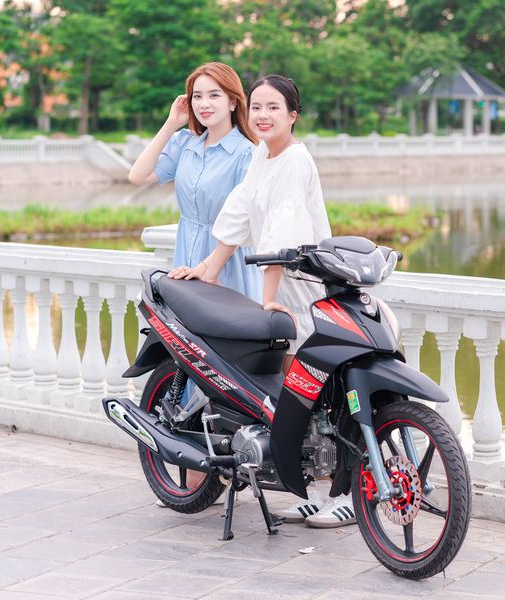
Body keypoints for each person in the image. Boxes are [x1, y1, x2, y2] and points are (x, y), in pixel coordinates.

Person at [169, 75, 354, 529]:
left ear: (293, 115)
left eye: (273, 107)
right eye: (256, 107)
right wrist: (209, 267)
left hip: (301, 290)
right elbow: (239, 209)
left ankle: (343, 494)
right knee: (299, 393)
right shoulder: (262, 155)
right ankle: (315, 492)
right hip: (282, 288)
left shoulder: (293, 160)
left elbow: (281, 234)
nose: (263, 115)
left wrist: (268, 298)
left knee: (320, 392)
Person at [128, 62, 261, 498]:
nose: (204, 104)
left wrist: (212, 266)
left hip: (226, 262)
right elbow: (138, 175)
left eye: (214, 95)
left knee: (225, 364)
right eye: (197, 96)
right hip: (186, 261)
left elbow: (244, 220)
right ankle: (196, 466)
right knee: (189, 357)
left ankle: (231, 459)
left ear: (234, 101)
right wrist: (171, 123)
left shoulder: (246, 153)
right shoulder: (186, 144)